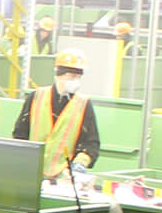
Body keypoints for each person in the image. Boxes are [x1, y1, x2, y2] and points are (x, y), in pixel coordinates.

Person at [13, 50, 101, 179]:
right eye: (71, 76)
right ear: (59, 75)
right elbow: (20, 134)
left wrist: (80, 163)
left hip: (64, 176)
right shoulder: (36, 97)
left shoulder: (83, 104)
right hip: (31, 172)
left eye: (78, 77)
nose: (75, 81)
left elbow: (92, 143)